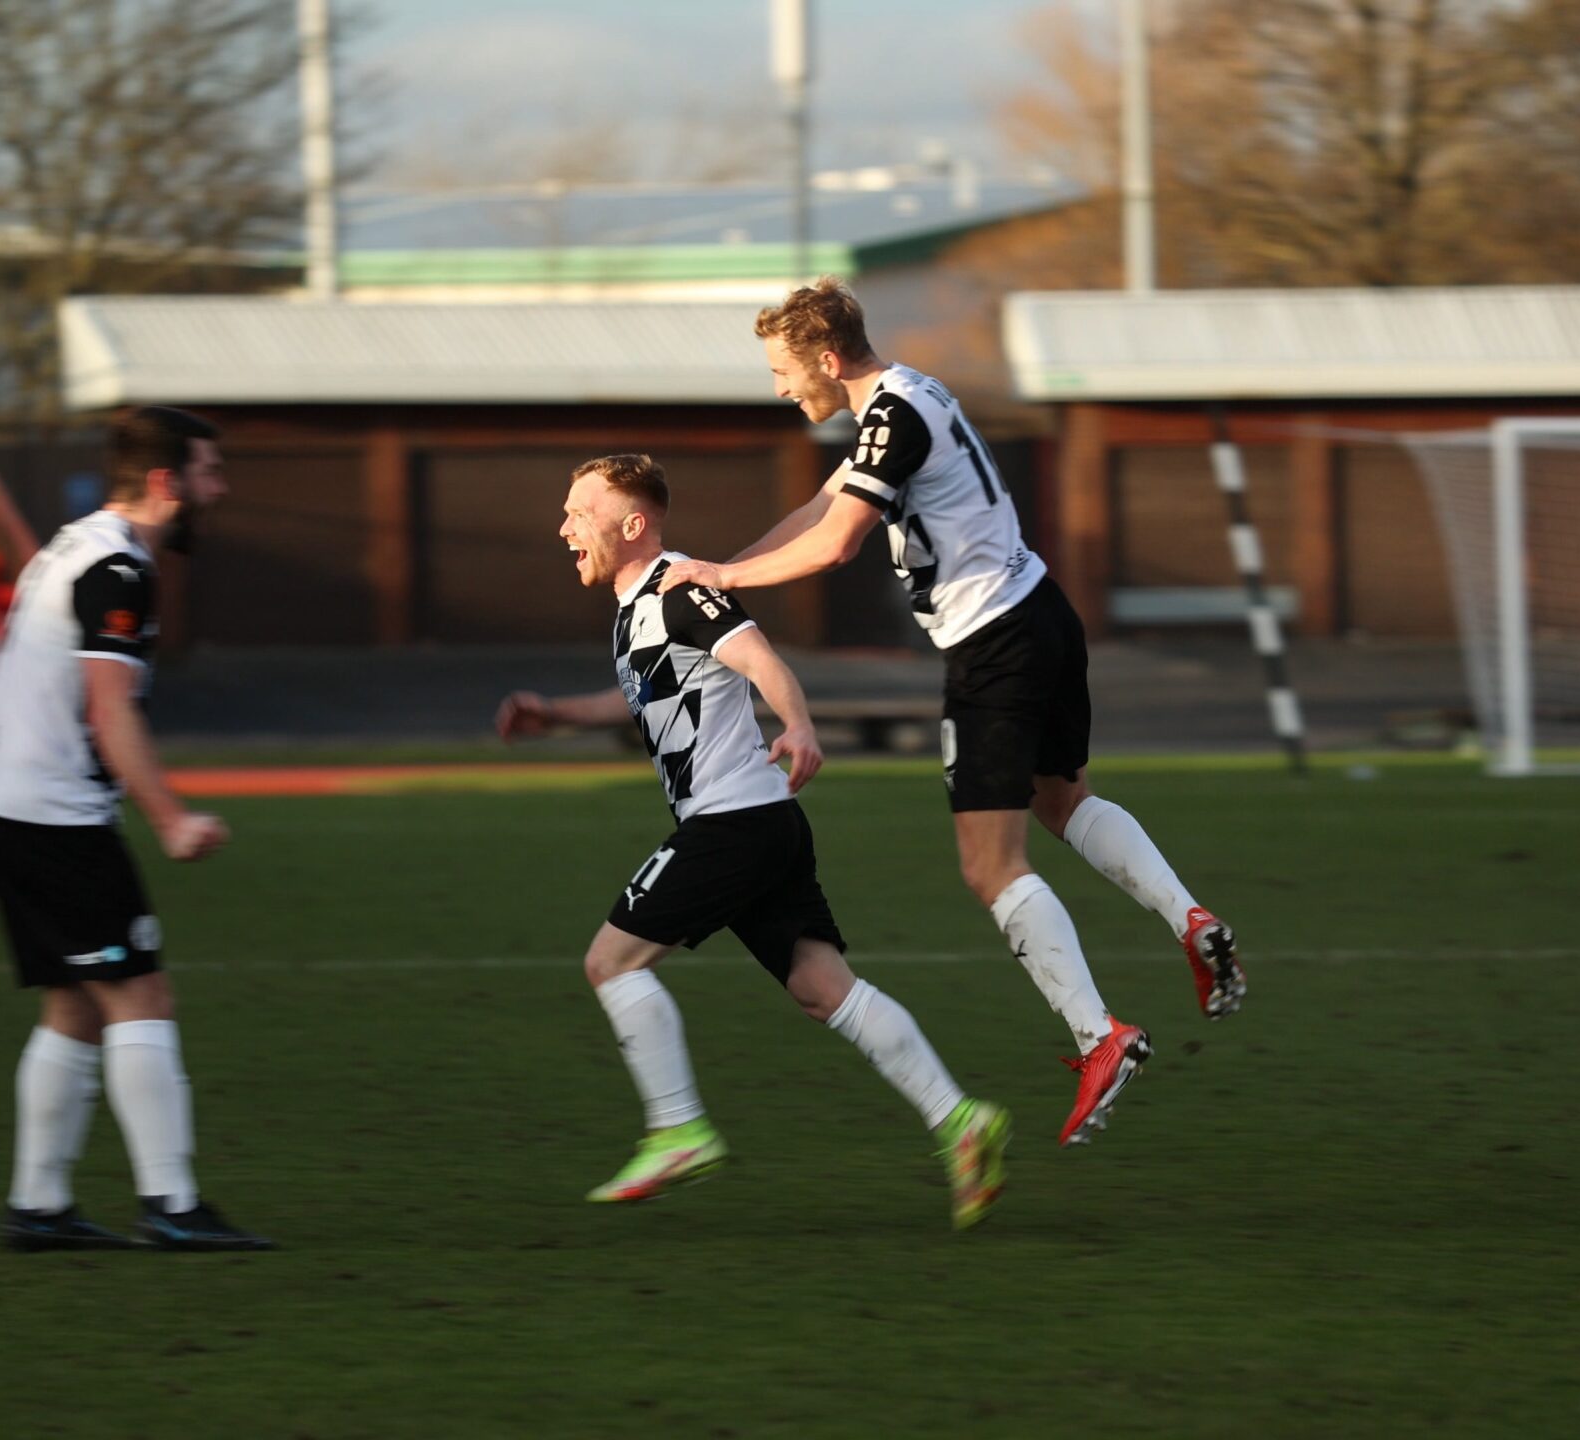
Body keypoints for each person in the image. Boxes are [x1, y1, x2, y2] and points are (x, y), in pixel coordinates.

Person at [654, 278, 1238, 1147]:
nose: (779, 388)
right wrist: (720, 578)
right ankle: (1190, 918)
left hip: (993, 643)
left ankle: (1099, 1035)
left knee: (988, 865)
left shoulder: (891, 416)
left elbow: (837, 541)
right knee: (1061, 799)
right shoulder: (908, 395)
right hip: (1040, 613)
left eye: (783, 371)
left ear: (826, 359)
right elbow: (818, 509)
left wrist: (726, 578)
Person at [498, 453, 1013, 1229]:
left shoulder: (680, 589)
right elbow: (645, 693)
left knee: (611, 963)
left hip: (732, 822)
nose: (564, 527)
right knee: (823, 990)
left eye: (580, 512)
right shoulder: (638, 606)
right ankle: (961, 1121)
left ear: (631, 524)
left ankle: (678, 1130)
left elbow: (758, 656)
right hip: (761, 824)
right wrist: (557, 715)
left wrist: (799, 725)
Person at [0, 404, 271, 1252]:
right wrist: (170, 819)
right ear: (168, 481)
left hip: (5, 805)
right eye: (209, 472)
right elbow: (109, 708)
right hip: (49, 815)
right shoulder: (118, 569)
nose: (220, 489)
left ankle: (39, 1206)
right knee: (140, 993)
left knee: (76, 1003)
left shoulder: (75, 546)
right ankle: (172, 1204)